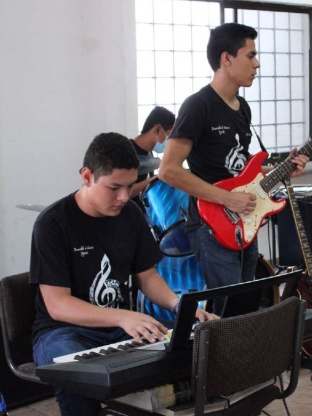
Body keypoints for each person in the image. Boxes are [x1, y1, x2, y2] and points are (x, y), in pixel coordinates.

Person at [30, 132, 216, 416]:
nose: (123, 197)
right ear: (87, 176)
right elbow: (58, 305)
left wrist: (180, 306)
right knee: (78, 381)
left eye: (129, 187)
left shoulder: (130, 214)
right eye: (114, 187)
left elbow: (148, 277)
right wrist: (122, 316)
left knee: (191, 346)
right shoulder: (53, 223)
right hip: (63, 331)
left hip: (120, 328)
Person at [158, 23, 309, 315]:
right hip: (211, 223)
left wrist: (281, 170)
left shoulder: (243, 107)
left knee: (246, 302)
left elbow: (242, 172)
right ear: (226, 59)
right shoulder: (198, 106)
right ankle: (222, 361)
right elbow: (168, 170)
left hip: (244, 218)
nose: (257, 63)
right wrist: (226, 198)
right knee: (229, 311)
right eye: (250, 56)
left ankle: (245, 360)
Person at [130, 106, 176, 211]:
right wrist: (156, 180)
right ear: (158, 129)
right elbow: (123, 192)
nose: (169, 141)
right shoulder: (128, 151)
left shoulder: (149, 153)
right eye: (168, 136)